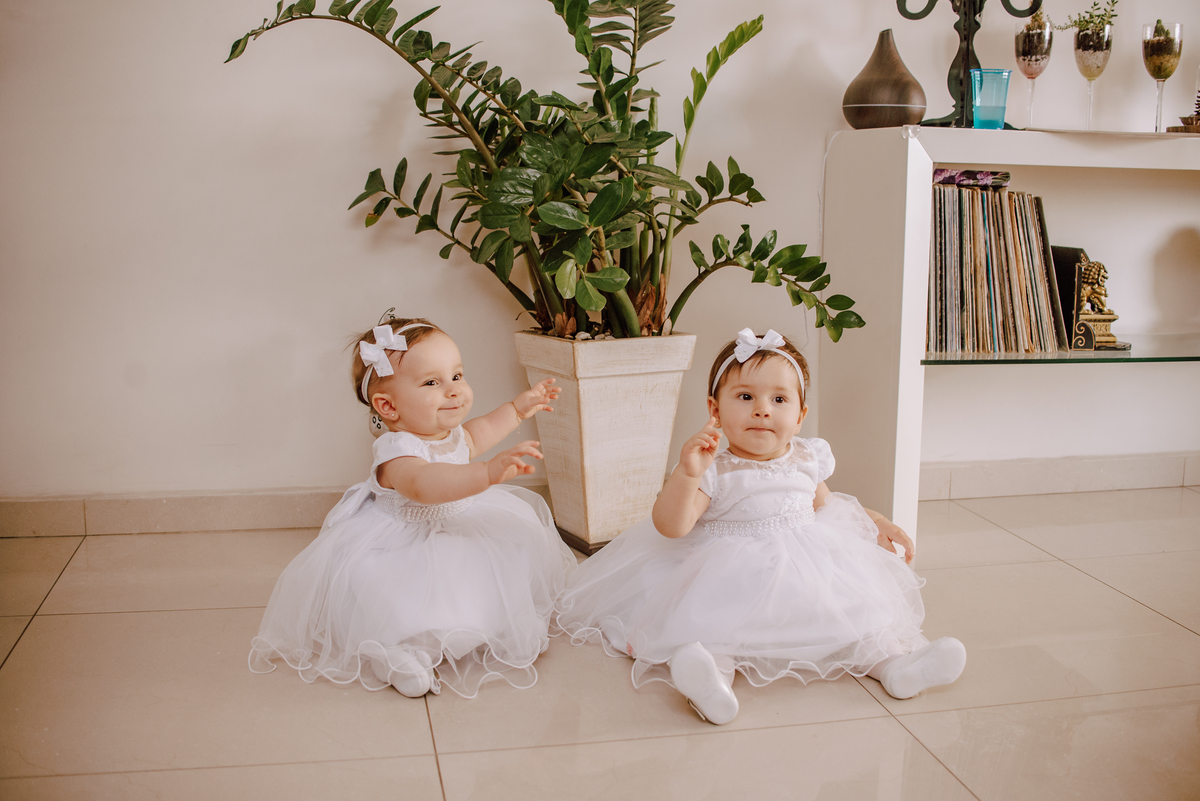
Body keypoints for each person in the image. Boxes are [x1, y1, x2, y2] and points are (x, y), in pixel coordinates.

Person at [555, 328, 965, 724]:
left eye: (779, 399)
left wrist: (877, 521)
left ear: (800, 416)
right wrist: (686, 473)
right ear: (715, 410)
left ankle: (897, 667)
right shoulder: (713, 467)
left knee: (858, 618)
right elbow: (672, 526)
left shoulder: (807, 457)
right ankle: (712, 681)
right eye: (745, 396)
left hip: (809, 570)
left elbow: (829, 506)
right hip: (730, 575)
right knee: (714, 625)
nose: (762, 409)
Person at [250, 317, 576, 698]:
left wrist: (518, 409)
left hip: (459, 522)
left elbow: (480, 431)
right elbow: (424, 485)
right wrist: (486, 472)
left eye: (457, 375)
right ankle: (397, 652)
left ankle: (495, 624)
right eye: (432, 383)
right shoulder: (396, 452)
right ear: (388, 406)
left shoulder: (450, 434)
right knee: (411, 603)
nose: (454, 390)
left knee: (496, 565)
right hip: (403, 543)